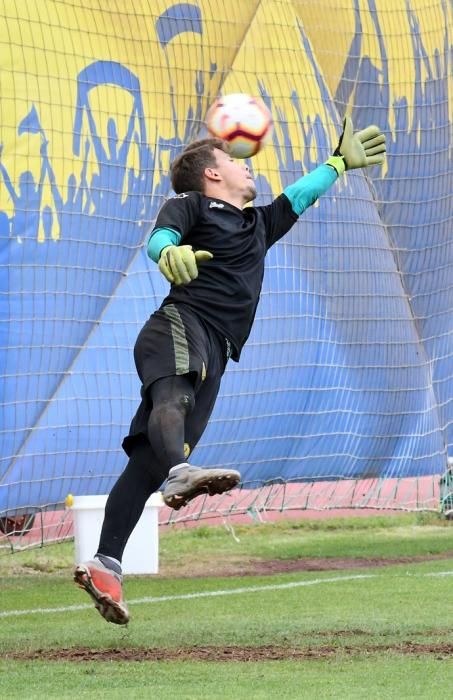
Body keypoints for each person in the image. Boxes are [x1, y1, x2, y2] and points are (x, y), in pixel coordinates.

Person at [74, 116, 386, 625]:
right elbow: (162, 237)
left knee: (149, 463)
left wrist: (337, 163)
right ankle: (181, 473)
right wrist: (169, 252)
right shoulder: (193, 203)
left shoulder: (257, 225)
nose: (246, 165)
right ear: (212, 175)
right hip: (180, 322)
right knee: (171, 406)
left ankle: (106, 562)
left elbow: (298, 198)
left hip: (216, 350)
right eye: (235, 160)